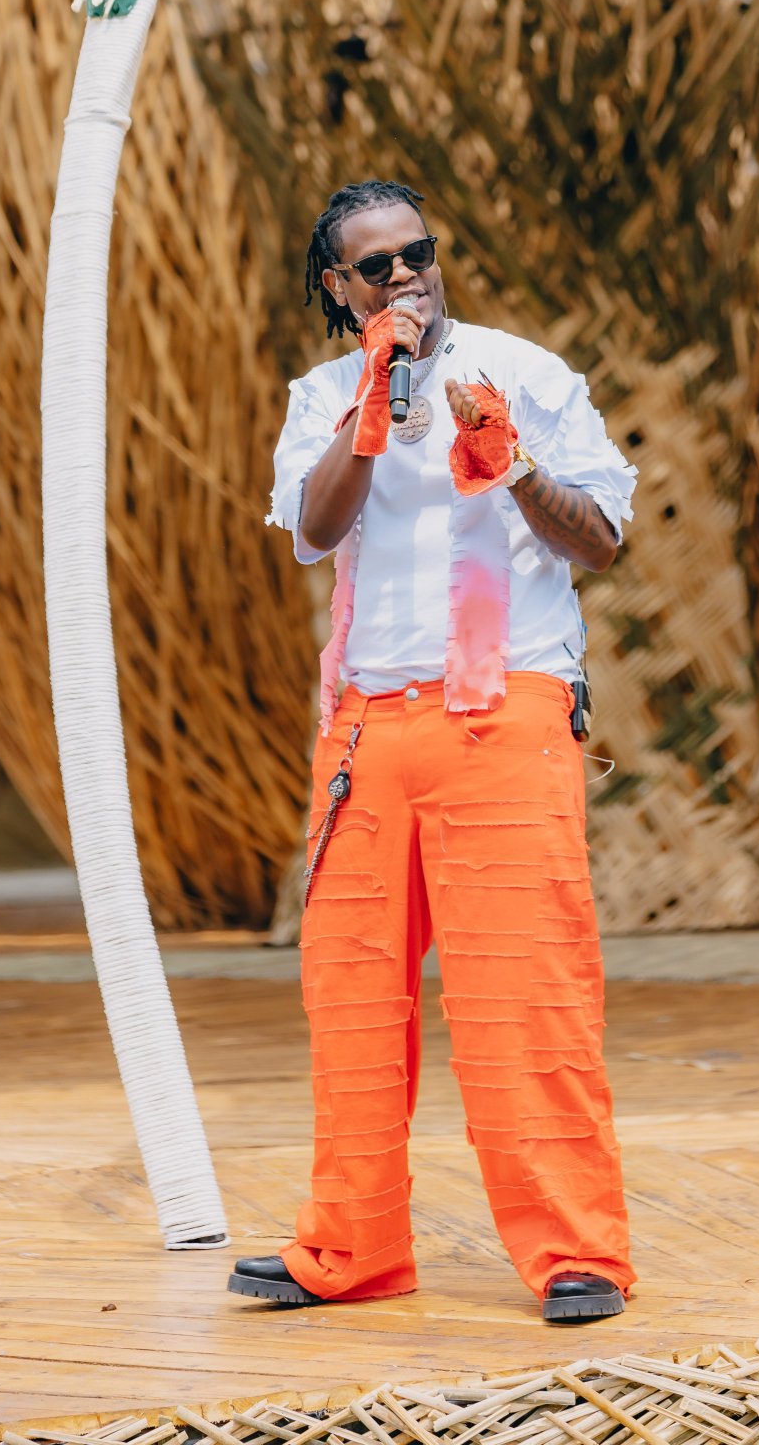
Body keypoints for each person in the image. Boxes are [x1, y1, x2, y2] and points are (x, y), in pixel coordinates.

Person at [228, 179, 637, 1324]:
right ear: (339, 285)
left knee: (524, 992)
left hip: (502, 713)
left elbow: (602, 539)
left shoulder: (525, 371)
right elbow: (314, 530)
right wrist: (370, 404)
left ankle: (577, 1250)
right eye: (377, 265)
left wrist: (511, 459)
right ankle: (351, 1245)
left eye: (419, 252)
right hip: (366, 727)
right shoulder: (322, 395)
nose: (405, 275)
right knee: (350, 997)